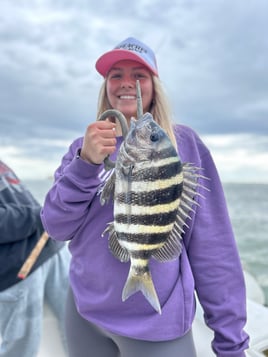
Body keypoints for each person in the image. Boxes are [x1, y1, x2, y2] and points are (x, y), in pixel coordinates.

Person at [41, 37, 249, 356]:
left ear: (153, 85)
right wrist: (86, 163)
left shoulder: (183, 144)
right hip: (84, 312)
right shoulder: (82, 148)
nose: (127, 83)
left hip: (155, 322)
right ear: (105, 86)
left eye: (139, 75)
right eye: (116, 75)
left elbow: (213, 246)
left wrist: (230, 340)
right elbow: (57, 227)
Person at [0, 159, 70, 357]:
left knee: (80, 329)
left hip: (52, 249)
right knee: (21, 349)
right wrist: (41, 216)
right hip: (16, 269)